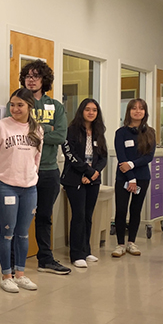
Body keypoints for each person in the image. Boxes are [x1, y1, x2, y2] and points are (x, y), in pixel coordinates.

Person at [0, 88, 42, 293]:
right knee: (7, 232)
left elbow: (37, 160)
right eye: (12, 104)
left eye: (20, 105)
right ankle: (6, 275)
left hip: (29, 187)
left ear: (29, 107)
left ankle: (21, 274)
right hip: (5, 185)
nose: (15, 109)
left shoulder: (37, 130)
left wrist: (33, 177)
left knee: (23, 233)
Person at [14, 60, 70, 275]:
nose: (31, 79)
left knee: (45, 216)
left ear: (43, 79)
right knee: (19, 217)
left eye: (36, 75)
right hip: (23, 169)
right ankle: (12, 260)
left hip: (48, 170)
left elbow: (61, 135)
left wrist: (37, 128)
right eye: (28, 75)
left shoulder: (55, 106)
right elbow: (17, 132)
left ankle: (45, 259)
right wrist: (48, 128)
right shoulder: (18, 102)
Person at [61, 98, 107, 269]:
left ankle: (86, 250)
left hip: (93, 180)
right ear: (81, 111)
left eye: (94, 110)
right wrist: (86, 172)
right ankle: (76, 253)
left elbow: (102, 157)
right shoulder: (72, 131)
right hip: (75, 179)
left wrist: (94, 173)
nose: (91, 113)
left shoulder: (98, 131)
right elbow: (69, 154)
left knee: (88, 216)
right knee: (78, 216)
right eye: (87, 109)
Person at [112, 98, 156, 257]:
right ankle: (120, 244)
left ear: (145, 112)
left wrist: (131, 164)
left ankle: (131, 242)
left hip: (143, 177)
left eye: (141, 108)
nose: (137, 111)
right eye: (134, 108)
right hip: (123, 177)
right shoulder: (121, 133)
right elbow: (121, 157)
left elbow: (148, 157)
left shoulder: (150, 132)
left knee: (136, 210)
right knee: (121, 210)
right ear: (128, 111)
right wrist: (130, 177)